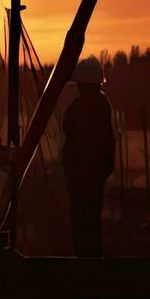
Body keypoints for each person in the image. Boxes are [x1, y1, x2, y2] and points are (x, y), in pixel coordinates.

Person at [62, 58, 114, 257]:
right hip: (88, 175)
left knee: (85, 220)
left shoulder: (82, 108)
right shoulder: (100, 106)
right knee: (88, 220)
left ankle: (87, 260)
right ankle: (89, 258)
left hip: (85, 175)